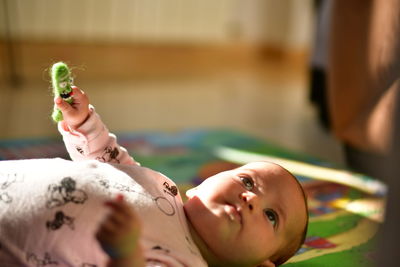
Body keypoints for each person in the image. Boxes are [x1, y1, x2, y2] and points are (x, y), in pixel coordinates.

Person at [0, 87, 308, 267]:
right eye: (247, 181)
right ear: (202, 184)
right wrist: (83, 123)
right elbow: (107, 157)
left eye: (271, 216)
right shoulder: (162, 188)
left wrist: (127, 254)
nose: (251, 198)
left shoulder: (186, 261)